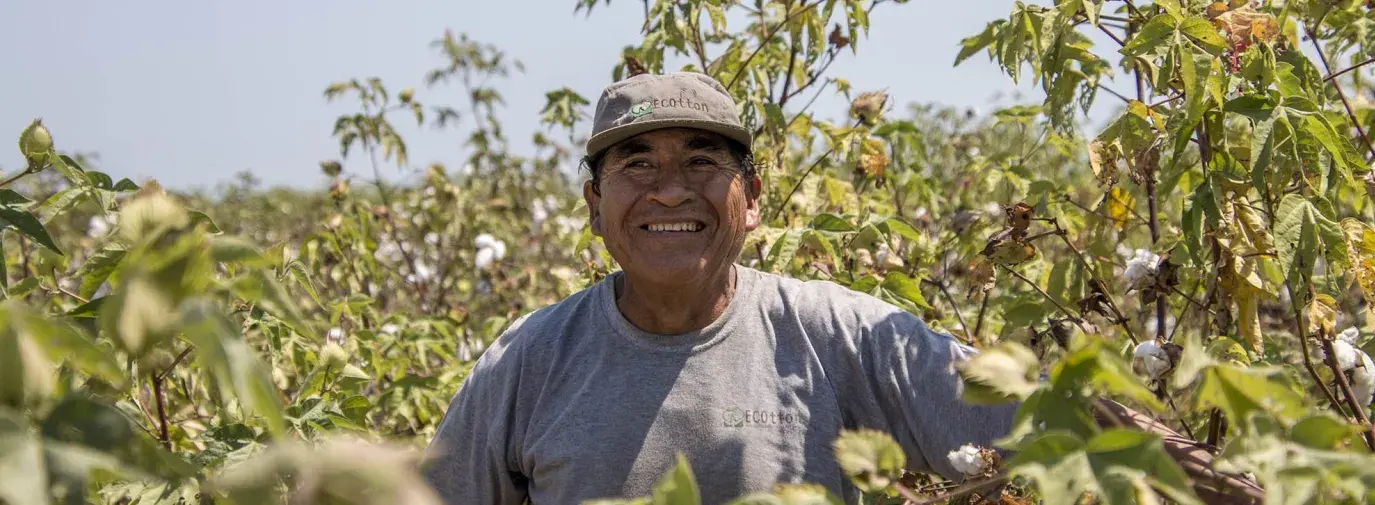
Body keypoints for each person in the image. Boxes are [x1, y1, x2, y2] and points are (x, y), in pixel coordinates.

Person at [420, 71, 1263, 505]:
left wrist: (1245, 486)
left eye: (701, 164)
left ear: (750, 201)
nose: (669, 190)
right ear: (594, 204)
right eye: (636, 165)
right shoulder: (526, 361)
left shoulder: (840, 334)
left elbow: (1046, 419)